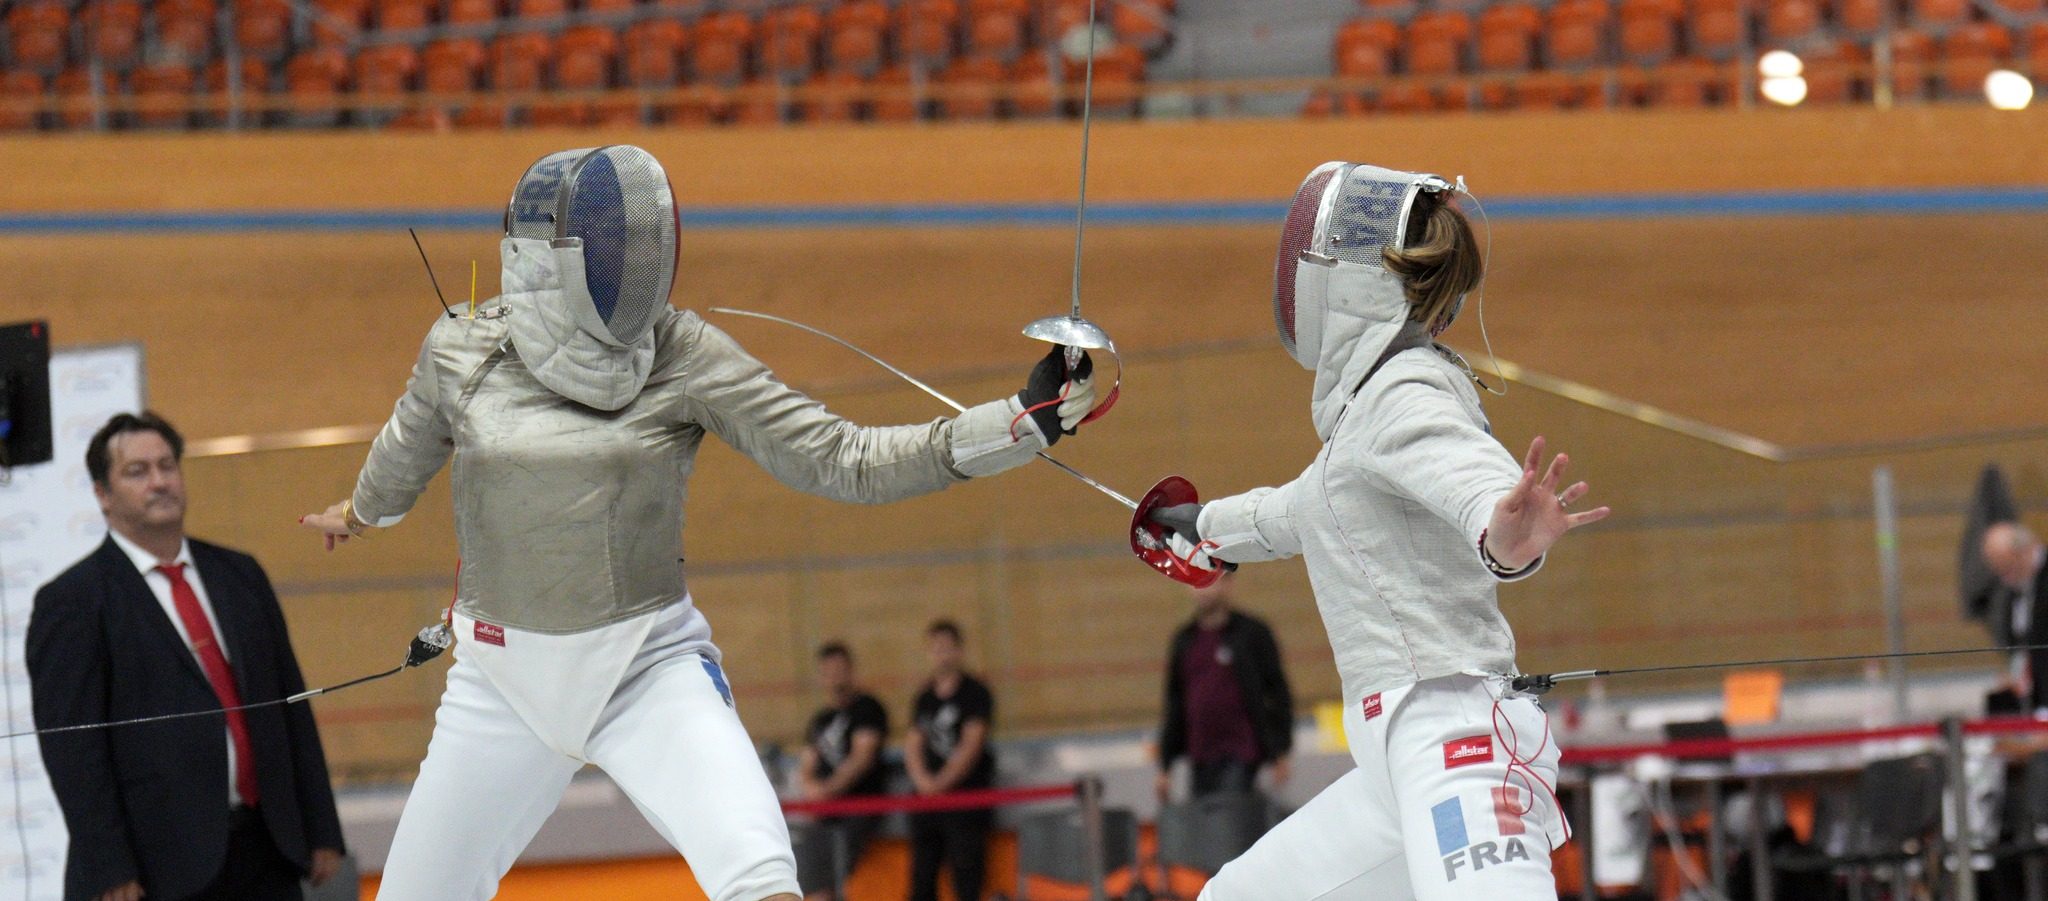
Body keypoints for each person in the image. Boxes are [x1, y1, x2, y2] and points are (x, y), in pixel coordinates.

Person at [299, 145, 1097, 901]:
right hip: (499, 685)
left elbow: (843, 457)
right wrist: (360, 510)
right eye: (613, 245)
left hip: (646, 671)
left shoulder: (683, 352)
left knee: (760, 876)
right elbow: (406, 445)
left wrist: (1020, 423)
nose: (636, 264)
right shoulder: (461, 350)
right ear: (551, 260)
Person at [1146, 162, 1609, 901]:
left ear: (1344, 282)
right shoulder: (1360, 428)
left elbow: (1467, 473)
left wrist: (1503, 531)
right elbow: (1292, 511)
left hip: (1457, 743)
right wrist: (1199, 529)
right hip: (1400, 761)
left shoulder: (1404, 390)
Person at [28, 412, 346, 901]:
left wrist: (322, 826)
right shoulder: (72, 602)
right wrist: (109, 867)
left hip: (266, 850)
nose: (159, 481)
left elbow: (290, 704)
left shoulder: (239, 574)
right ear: (102, 495)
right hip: (155, 868)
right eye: (137, 472)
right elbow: (73, 752)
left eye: (167, 466)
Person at [1155, 570, 1294, 802]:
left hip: (1241, 750)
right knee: (1205, 820)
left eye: (1209, 581)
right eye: (1195, 582)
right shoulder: (1185, 640)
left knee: (1230, 814)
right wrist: (1165, 766)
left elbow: (1278, 692)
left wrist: (1279, 750)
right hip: (1200, 754)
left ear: (1228, 584)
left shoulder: (1251, 634)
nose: (1203, 590)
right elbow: (1175, 704)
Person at [905, 619, 996, 901]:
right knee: (922, 878)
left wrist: (940, 784)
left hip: (965, 799)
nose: (942, 653)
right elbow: (914, 743)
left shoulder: (975, 693)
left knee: (966, 877)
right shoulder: (924, 697)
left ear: (959, 651)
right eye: (936, 648)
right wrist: (923, 782)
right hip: (928, 803)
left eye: (947, 647)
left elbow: (971, 744)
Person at [795, 642, 890, 901]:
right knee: (805, 870)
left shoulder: (868, 709)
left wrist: (827, 790)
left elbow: (862, 758)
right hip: (825, 812)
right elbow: (807, 764)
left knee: (829, 876)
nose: (834, 677)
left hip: (859, 806)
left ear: (851, 671)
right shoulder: (820, 720)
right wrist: (812, 789)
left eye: (839, 669)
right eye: (828, 671)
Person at [1983, 522, 2047, 710]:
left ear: (2023, 553)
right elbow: (2022, 644)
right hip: (2035, 698)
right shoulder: (2017, 588)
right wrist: (2015, 675)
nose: (2005, 577)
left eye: (2007, 567)